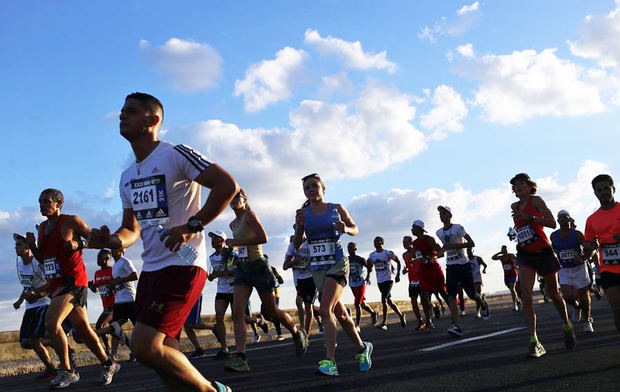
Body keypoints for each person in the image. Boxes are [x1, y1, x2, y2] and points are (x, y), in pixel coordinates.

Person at [88, 92, 236, 392]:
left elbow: (226, 185)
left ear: (152, 120)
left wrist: (192, 225)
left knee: (143, 347)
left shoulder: (176, 154)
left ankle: (212, 390)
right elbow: (131, 230)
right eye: (121, 111)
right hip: (152, 271)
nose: (121, 115)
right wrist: (109, 239)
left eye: (129, 111)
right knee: (163, 356)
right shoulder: (127, 176)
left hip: (183, 265)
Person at [25, 188, 118, 389]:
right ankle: (109, 363)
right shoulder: (42, 228)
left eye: (46, 201)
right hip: (58, 284)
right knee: (83, 329)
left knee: (52, 323)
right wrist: (33, 246)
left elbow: (95, 239)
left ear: (59, 204)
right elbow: (43, 259)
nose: (42, 205)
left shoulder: (71, 221)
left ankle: (68, 371)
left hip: (75, 281)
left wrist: (79, 244)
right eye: (40, 201)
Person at [294, 173, 372, 376]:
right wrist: (299, 227)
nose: (310, 190)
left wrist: (346, 228)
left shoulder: (335, 208)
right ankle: (363, 348)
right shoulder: (303, 213)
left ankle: (330, 361)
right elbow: (297, 244)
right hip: (318, 268)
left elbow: (356, 229)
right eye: (307, 188)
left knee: (325, 308)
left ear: (323, 188)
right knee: (342, 315)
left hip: (337, 263)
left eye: (314, 186)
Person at [225, 189, 308, 372]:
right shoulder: (232, 224)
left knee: (272, 312)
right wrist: (235, 255)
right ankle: (241, 358)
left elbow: (263, 238)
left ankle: (296, 333)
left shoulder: (249, 215)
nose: (233, 200)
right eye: (231, 198)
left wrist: (238, 243)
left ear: (244, 199)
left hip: (259, 268)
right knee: (237, 313)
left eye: (237, 197)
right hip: (243, 269)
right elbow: (241, 246)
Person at [509, 173, 575, 358]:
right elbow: (523, 229)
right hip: (525, 254)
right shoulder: (514, 206)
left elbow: (552, 223)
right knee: (526, 295)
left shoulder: (536, 201)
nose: (518, 186)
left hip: (544, 253)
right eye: (515, 185)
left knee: (554, 294)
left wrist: (530, 217)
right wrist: (517, 235)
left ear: (530, 186)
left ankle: (567, 325)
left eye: (522, 183)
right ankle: (534, 341)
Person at [435, 205, 490, 337]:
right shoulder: (439, 232)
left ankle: (483, 303)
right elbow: (444, 248)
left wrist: (454, 245)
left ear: (450, 215)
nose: (441, 215)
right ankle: (456, 326)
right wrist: (435, 256)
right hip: (451, 266)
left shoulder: (458, 227)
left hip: (463, 265)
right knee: (451, 296)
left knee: (471, 294)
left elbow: (471, 243)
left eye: (444, 213)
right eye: (440, 213)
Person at [13, 233, 56, 381]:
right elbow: (27, 286)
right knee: (25, 342)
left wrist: (37, 293)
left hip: (42, 303)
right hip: (29, 306)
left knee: (34, 340)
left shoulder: (37, 263)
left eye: (19, 245)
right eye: (16, 245)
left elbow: (51, 283)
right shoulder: (20, 265)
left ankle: (51, 369)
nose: (16, 247)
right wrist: (19, 301)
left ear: (27, 247)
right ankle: (57, 342)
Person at [584, 174, 620, 335]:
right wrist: (591, 247)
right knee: (617, 307)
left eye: (606, 188)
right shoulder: (592, 219)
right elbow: (589, 249)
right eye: (599, 190)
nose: (603, 192)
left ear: (613, 188)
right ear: (595, 193)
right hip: (609, 269)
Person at [550, 210, 594, 332]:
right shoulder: (554, 235)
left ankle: (587, 320)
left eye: (565, 217)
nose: (562, 219)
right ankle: (577, 307)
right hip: (564, 269)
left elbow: (589, 248)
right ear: (558, 220)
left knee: (584, 295)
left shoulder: (577, 234)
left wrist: (584, 257)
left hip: (579, 268)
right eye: (560, 217)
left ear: (570, 219)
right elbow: (553, 250)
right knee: (567, 297)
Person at [99, 247, 138, 361]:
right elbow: (118, 283)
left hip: (130, 300)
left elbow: (135, 276)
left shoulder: (125, 261)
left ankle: (143, 350)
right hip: (119, 301)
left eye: (117, 249)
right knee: (114, 327)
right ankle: (113, 355)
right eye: (113, 248)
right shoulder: (115, 265)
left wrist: (118, 281)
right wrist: (113, 286)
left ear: (122, 251)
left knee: (139, 327)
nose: (114, 250)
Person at [410, 220, 449, 330]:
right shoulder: (415, 243)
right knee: (423, 297)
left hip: (434, 270)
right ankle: (429, 321)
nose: (411, 229)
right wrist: (414, 259)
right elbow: (417, 255)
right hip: (423, 272)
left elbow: (441, 252)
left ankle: (455, 316)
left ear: (419, 228)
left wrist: (432, 257)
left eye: (413, 227)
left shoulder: (429, 239)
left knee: (444, 294)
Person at [284, 235, 323, 335]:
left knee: (305, 305)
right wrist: (294, 261)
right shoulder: (291, 248)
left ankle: (305, 333)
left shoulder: (310, 244)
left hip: (310, 279)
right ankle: (324, 316)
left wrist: (312, 264)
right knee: (307, 305)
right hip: (298, 281)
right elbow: (285, 266)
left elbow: (319, 259)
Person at [367, 236, 406, 330]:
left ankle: (384, 322)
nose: (376, 243)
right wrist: (368, 274)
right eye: (374, 242)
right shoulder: (372, 255)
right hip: (380, 281)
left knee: (383, 300)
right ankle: (401, 315)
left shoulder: (387, 253)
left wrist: (397, 275)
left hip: (388, 280)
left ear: (382, 243)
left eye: (378, 242)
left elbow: (398, 262)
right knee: (389, 301)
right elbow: (370, 266)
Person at [347, 242, 378, 331]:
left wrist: (368, 275)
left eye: (352, 249)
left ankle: (357, 325)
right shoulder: (346, 260)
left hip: (360, 283)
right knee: (362, 304)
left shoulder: (360, 259)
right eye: (349, 249)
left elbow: (369, 267)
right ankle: (373, 313)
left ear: (355, 249)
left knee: (357, 304)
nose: (350, 250)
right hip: (352, 284)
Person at [89, 249, 115, 354]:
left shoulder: (112, 270)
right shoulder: (97, 273)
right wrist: (91, 286)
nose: (97, 260)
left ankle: (107, 349)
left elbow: (118, 286)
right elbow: (96, 289)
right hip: (105, 306)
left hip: (114, 306)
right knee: (116, 330)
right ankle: (131, 349)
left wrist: (112, 287)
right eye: (97, 257)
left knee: (99, 326)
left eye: (100, 258)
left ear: (107, 259)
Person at [402, 236, 425, 330]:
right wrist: (405, 270)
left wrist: (414, 259)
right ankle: (421, 321)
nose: (404, 244)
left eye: (406, 242)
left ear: (411, 242)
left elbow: (421, 261)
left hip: (421, 278)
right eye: (403, 243)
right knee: (414, 303)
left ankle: (434, 307)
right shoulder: (404, 255)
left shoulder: (417, 251)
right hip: (412, 281)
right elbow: (409, 265)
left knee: (424, 301)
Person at [491, 246, 521, 311]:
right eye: (503, 251)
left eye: (506, 250)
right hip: (506, 276)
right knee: (512, 290)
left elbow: (517, 260)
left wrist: (517, 266)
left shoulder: (511, 255)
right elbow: (493, 258)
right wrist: (499, 253)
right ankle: (517, 300)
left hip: (513, 274)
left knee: (512, 288)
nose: (505, 252)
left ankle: (515, 305)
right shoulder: (501, 257)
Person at [261, 265, 285, 340]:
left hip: (275, 294)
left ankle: (280, 334)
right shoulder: (257, 270)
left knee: (274, 313)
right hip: (265, 294)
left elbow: (281, 281)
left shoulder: (273, 269)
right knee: (264, 313)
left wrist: (272, 281)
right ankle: (277, 321)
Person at [467, 248, 488, 318]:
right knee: (473, 295)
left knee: (478, 293)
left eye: (470, 251)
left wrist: (484, 270)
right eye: (467, 251)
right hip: (470, 279)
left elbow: (485, 265)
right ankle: (482, 300)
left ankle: (478, 312)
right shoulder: (465, 260)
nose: (468, 253)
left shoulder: (478, 258)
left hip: (477, 278)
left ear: (473, 251)